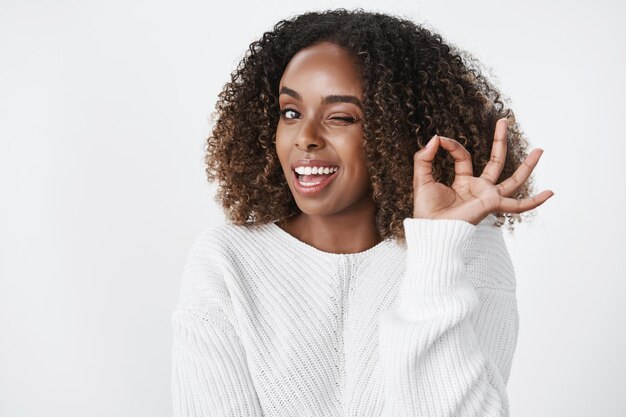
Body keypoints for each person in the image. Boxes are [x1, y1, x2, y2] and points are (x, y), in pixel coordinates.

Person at [171, 8, 554, 417]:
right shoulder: (226, 261)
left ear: (398, 130)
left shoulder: (467, 249)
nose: (306, 138)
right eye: (291, 112)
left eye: (341, 117)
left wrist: (436, 252)